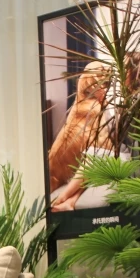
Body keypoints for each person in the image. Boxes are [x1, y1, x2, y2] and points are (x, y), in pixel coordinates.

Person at [47, 61, 110, 212]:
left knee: (94, 160)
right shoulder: (92, 109)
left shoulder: (84, 104)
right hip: (57, 177)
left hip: (91, 160)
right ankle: (62, 198)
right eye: (103, 82)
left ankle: (68, 201)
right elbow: (104, 145)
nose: (106, 87)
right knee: (94, 160)